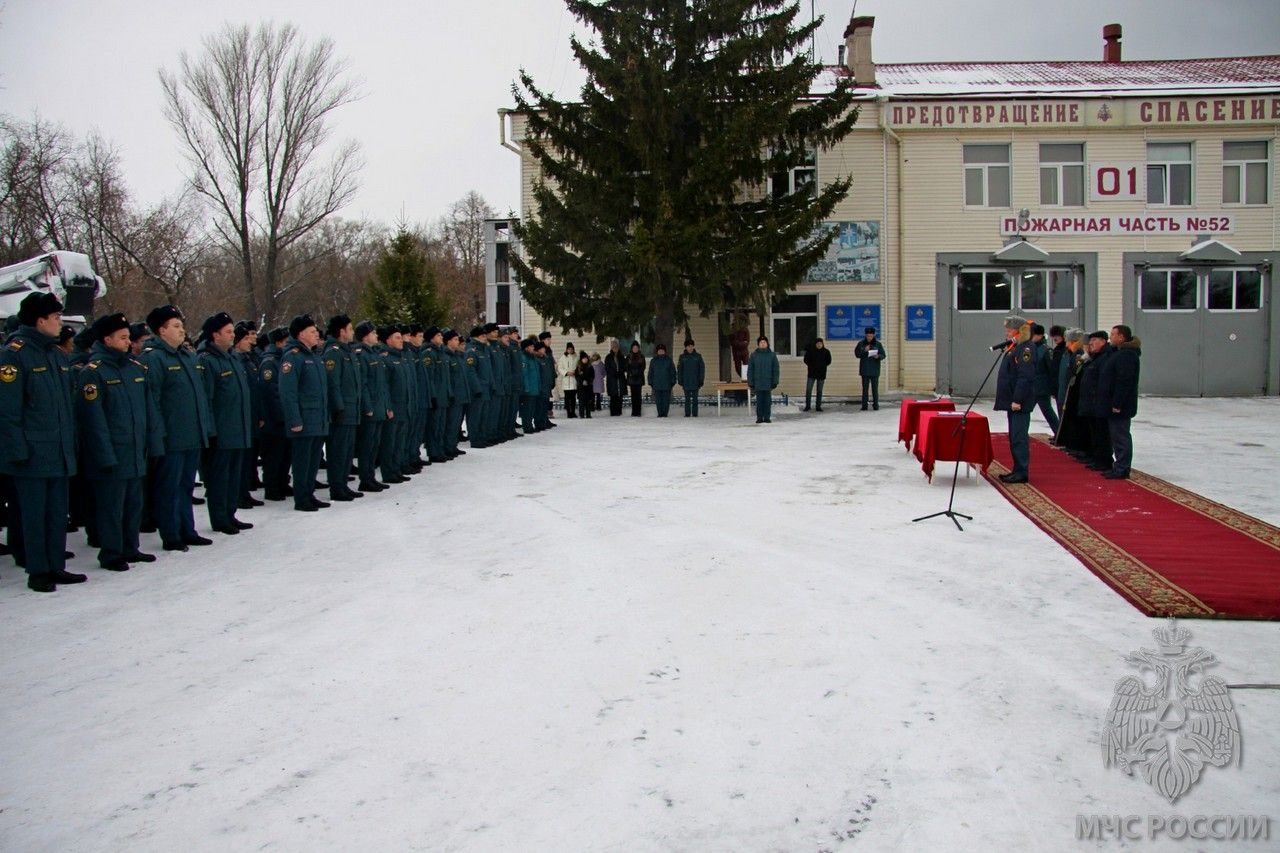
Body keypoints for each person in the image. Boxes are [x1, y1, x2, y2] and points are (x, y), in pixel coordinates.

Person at [0, 292, 84, 591]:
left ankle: (55, 566)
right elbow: (8, 411)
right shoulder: (15, 354)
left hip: (58, 451)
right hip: (32, 454)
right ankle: (38, 571)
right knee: (34, 516)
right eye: (56, 318)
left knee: (55, 514)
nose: (60, 323)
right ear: (40, 321)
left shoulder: (56, 354)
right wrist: (17, 451)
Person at [76, 312, 162, 571]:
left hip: (136, 450)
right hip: (112, 452)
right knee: (111, 507)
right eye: (122, 338)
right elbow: (93, 420)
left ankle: (130, 547)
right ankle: (112, 553)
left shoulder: (136, 369)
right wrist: (104, 455)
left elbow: (149, 412)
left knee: (134, 503)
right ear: (107, 339)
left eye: (128, 337)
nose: (128, 342)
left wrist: (153, 443)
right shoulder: (93, 373)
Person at [144, 305, 215, 552]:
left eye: (181, 325)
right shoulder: (153, 358)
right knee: (169, 488)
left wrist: (205, 427)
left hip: (192, 433)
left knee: (186, 486)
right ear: (161, 330)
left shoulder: (187, 356)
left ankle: (188, 529)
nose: (182, 330)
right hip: (171, 436)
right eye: (176, 326)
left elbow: (200, 397)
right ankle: (171, 533)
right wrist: (158, 434)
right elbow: (152, 401)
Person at [197, 312, 254, 535]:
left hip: (238, 428)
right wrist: (211, 431)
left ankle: (230, 513)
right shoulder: (207, 361)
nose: (233, 336)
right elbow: (207, 399)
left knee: (233, 476)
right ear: (215, 335)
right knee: (219, 478)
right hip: (221, 431)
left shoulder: (232, 358)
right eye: (228, 332)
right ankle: (220, 518)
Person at [278, 315, 330, 511]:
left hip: (318, 418)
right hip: (304, 419)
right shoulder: (293, 357)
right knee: (302, 461)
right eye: (312, 331)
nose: (316, 334)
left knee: (314, 460)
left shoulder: (314, 356)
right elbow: (288, 392)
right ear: (301, 334)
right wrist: (294, 419)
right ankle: (301, 498)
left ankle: (309, 493)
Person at [323, 314, 363, 502]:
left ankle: (343, 485)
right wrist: (338, 408)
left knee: (347, 450)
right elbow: (333, 384)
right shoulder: (333, 352)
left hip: (352, 409)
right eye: (350, 328)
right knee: (338, 450)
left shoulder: (347, 352)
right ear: (341, 332)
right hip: (342, 411)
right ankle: (336, 487)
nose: (352, 331)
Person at [993, 315, 1036, 484]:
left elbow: (1025, 377)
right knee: (1014, 437)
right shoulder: (1015, 347)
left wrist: (1017, 399)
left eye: (1009, 329)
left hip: (1020, 403)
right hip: (1012, 401)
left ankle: (1021, 471)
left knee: (1019, 437)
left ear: (1018, 330)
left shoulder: (1026, 348)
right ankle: (1017, 469)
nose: (1007, 332)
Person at [1100, 324, 1141, 480]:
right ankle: (1120, 466)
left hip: (1120, 406)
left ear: (1121, 337)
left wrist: (1117, 403)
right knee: (1116, 436)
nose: (1110, 337)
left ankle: (1122, 468)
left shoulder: (1127, 356)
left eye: (1113, 334)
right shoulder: (1119, 353)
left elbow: (1124, 382)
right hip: (1114, 404)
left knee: (1121, 435)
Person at [353, 321, 389, 492]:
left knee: (375, 444)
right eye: (374, 333)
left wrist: (386, 405)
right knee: (367, 446)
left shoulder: (375, 354)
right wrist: (367, 407)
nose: (377, 336)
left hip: (379, 406)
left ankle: (371, 477)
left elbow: (382, 385)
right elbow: (363, 384)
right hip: (371, 408)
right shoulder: (362, 355)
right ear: (366, 336)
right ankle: (365, 479)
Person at [257, 327, 292, 501]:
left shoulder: (283, 359)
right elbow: (271, 393)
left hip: (284, 419)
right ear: (279, 343)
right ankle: (272, 487)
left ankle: (283, 483)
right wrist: (281, 415)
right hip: (273, 421)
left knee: (285, 455)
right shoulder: (270, 362)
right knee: (273, 457)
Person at [1077, 331, 1114, 473]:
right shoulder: (1095, 357)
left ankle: (1104, 460)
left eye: (1094, 340)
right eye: (1090, 340)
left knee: (1102, 433)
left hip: (1099, 403)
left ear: (1103, 341)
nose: (1090, 343)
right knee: (1095, 432)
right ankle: (1097, 457)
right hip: (1091, 403)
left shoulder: (1105, 357)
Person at [1052, 328, 1092, 457]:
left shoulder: (1078, 354)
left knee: (1074, 421)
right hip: (1064, 390)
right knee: (1066, 419)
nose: (1067, 343)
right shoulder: (1067, 353)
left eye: (1069, 340)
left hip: (1072, 393)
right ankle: (1069, 442)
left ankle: (1076, 445)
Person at [1030, 323, 1061, 434]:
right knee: (1026, 411)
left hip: (1042, 388)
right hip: (1031, 386)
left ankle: (1058, 434)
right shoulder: (1031, 348)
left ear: (1039, 335)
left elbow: (1051, 371)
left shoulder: (1046, 350)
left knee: (1047, 411)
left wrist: (1052, 388)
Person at [748, 335, 780, 424]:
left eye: (764, 342)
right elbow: (750, 369)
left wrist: (775, 381)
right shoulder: (754, 355)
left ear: (767, 344)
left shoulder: (772, 355)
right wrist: (750, 382)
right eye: (761, 342)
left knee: (767, 401)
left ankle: (767, 417)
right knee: (759, 401)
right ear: (758, 344)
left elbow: (776, 369)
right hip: (757, 382)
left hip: (768, 382)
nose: (762, 344)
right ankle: (759, 417)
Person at [854, 327, 885, 411]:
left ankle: (876, 405)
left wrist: (878, 356)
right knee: (865, 389)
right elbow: (857, 354)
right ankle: (864, 406)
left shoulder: (878, 344)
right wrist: (864, 350)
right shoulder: (861, 343)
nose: (869, 337)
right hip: (865, 370)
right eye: (868, 336)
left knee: (875, 389)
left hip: (875, 370)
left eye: (871, 336)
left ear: (874, 335)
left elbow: (883, 355)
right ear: (865, 335)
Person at [677, 339, 705, 417]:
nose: (690, 348)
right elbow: (679, 370)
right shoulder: (682, 357)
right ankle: (687, 414)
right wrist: (680, 379)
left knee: (695, 399)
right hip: (686, 381)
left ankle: (695, 414)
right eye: (688, 346)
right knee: (687, 399)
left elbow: (702, 369)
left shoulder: (698, 356)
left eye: (691, 346)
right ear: (685, 347)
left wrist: (701, 380)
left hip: (695, 381)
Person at [647, 343, 677, 417]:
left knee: (666, 400)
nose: (661, 352)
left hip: (667, 384)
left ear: (665, 351)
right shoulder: (653, 361)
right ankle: (660, 413)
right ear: (657, 352)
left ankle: (665, 414)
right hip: (656, 384)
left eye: (662, 350)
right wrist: (650, 381)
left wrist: (673, 381)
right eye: (659, 350)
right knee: (658, 401)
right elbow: (650, 372)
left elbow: (673, 372)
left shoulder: (669, 360)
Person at [802, 337, 832, 412]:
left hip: (821, 373)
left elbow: (828, 361)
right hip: (811, 373)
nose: (819, 345)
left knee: (819, 390)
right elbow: (806, 360)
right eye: (818, 344)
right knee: (808, 390)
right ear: (815, 344)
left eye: (820, 344)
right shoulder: (810, 351)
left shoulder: (826, 352)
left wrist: (822, 366)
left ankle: (818, 406)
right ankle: (808, 406)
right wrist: (811, 366)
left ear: (822, 344)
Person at [520, 338, 542, 433]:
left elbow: (536, 374)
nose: (533, 348)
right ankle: (526, 426)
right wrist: (526, 387)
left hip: (534, 388)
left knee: (532, 409)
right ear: (526, 348)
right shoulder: (524, 358)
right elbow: (524, 374)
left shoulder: (533, 358)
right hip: (528, 389)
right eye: (531, 346)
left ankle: (530, 425)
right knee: (527, 410)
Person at [604, 340, 626, 416]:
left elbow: (624, 366)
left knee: (620, 396)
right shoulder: (608, 357)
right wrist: (614, 373)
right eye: (614, 347)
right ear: (611, 348)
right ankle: (613, 412)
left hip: (620, 378)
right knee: (613, 396)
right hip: (612, 379)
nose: (615, 348)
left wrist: (620, 372)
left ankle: (619, 412)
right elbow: (607, 368)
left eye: (616, 347)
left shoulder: (621, 356)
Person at [624, 342, 646, 416]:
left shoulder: (642, 356)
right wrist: (631, 374)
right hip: (631, 379)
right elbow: (626, 367)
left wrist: (638, 374)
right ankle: (634, 412)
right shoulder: (628, 357)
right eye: (634, 348)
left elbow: (643, 367)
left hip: (639, 378)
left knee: (638, 396)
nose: (635, 349)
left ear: (638, 348)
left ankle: (638, 412)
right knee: (633, 396)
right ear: (632, 348)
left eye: (636, 347)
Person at [558, 342, 578, 418]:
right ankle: (568, 413)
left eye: (571, 349)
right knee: (567, 398)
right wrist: (566, 373)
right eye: (568, 349)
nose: (570, 350)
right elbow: (560, 368)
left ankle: (573, 412)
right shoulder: (563, 358)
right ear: (566, 349)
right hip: (566, 380)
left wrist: (575, 372)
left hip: (573, 380)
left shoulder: (576, 357)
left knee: (573, 398)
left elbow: (579, 367)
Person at [574, 352, 595, 418]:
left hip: (589, 387)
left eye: (586, 358)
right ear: (581, 360)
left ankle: (588, 414)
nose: (585, 360)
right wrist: (582, 381)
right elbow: (577, 376)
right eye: (583, 359)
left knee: (588, 401)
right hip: (581, 387)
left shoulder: (590, 367)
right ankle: (581, 414)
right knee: (581, 402)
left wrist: (588, 381)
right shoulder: (578, 368)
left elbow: (592, 376)